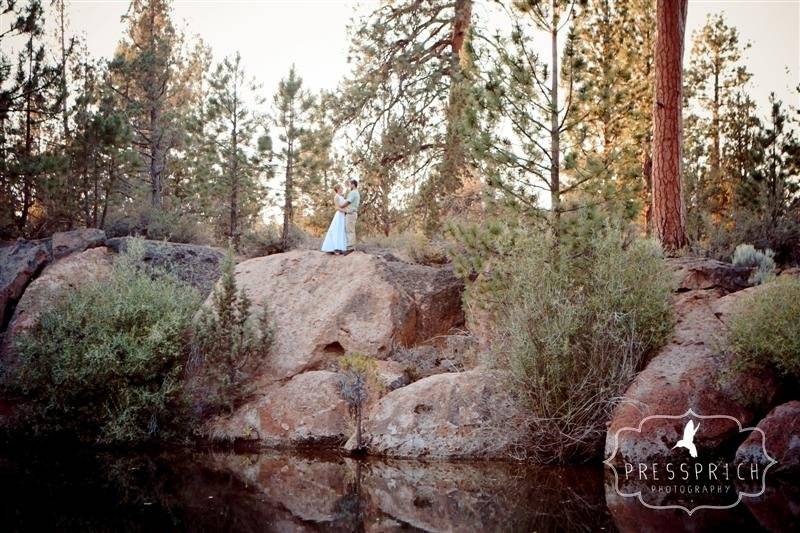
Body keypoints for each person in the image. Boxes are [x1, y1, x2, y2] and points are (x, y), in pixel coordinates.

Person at [320, 184, 348, 254]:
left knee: (341, 231)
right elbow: (337, 208)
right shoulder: (336, 197)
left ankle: (340, 248)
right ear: (338, 189)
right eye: (341, 188)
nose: (342, 189)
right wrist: (346, 211)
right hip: (339, 215)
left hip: (343, 215)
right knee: (337, 231)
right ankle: (335, 248)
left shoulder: (341, 197)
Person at [340, 179, 360, 253]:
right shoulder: (356, 192)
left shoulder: (353, 192)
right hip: (353, 213)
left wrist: (341, 206)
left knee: (349, 230)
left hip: (351, 213)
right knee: (350, 230)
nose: (349, 186)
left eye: (350, 184)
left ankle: (350, 248)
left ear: (353, 185)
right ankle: (351, 247)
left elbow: (348, 202)